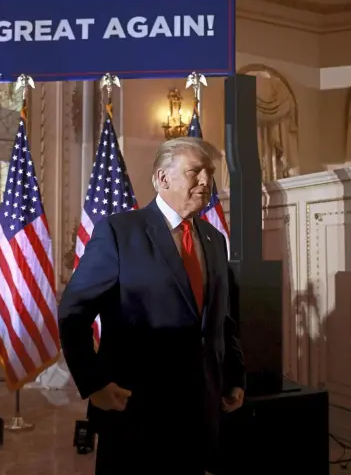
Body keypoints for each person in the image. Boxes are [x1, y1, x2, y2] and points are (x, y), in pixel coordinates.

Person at [59, 137, 245, 475]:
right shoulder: (118, 232)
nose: (206, 181)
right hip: (135, 410)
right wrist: (95, 383)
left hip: (201, 408)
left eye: (210, 173)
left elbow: (224, 318)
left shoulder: (214, 239)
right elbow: (74, 314)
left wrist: (235, 376)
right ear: (162, 179)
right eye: (195, 172)